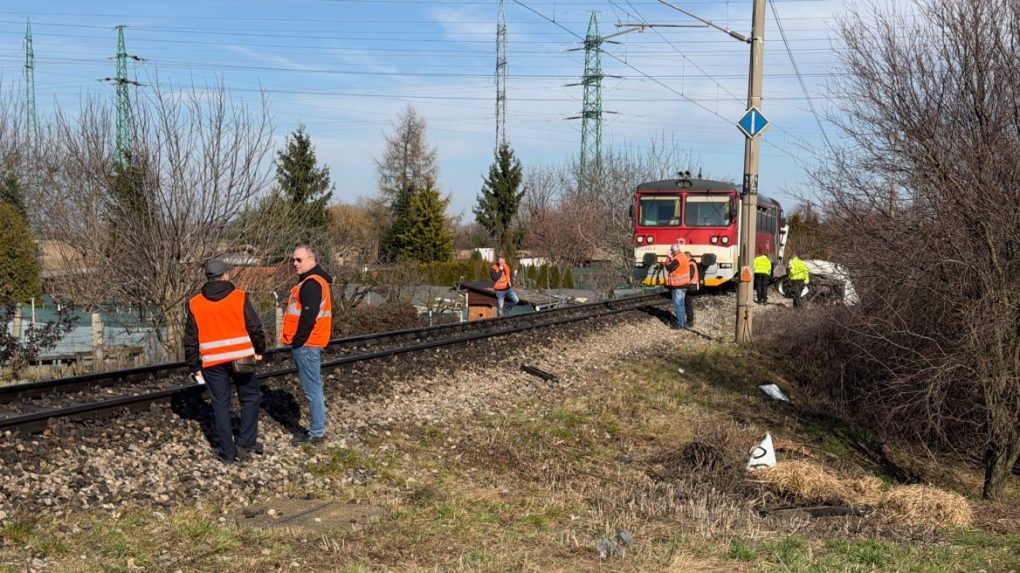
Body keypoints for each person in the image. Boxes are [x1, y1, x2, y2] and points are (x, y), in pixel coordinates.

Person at [183, 259, 267, 464]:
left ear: (208, 277)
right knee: (250, 397)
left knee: (220, 404)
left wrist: (193, 365)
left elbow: (190, 338)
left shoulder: (195, 303)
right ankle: (246, 442)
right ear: (226, 275)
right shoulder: (239, 297)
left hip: (212, 362)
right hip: (241, 357)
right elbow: (255, 326)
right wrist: (259, 349)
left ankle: (228, 453)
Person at [282, 245, 333, 445]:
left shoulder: (312, 284)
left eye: (299, 259)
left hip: (308, 344)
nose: (295, 263)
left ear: (311, 260)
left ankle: (316, 433)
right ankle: (317, 430)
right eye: (293, 259)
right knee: (313, 388)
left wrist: (298, 341)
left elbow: (308, 316)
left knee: (312, 389)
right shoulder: (314, 281)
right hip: (310, 342)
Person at [663, 241, 691, 329]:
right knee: (681, 304)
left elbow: (669, 267)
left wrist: (668, 258)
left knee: (678, 304)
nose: (671, 252)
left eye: (672, 251)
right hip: (684, 284)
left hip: (678, 285)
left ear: (674, 251)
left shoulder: (677, 259)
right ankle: (682, 322)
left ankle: (679, 323)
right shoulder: (683, 256)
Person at [684, 251, 701, 328]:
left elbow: (690, 275)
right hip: (691, 286)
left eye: (685, 257)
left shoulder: (691, 264)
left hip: (690, 286)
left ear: (688, 257)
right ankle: (689, 320)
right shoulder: (692, 263)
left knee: (688, 304)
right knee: (688, 303)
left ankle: (690, 321)